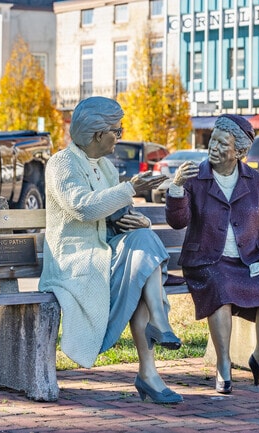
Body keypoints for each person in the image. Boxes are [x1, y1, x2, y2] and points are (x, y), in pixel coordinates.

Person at [38, 96, 183, 404]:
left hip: (104, 252)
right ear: (97, 133)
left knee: (143, 243)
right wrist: (131, 188)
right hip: (75, 260)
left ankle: (158, 328)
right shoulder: (62, 164)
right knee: (143, 273)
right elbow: (82, 208)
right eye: (117, 130)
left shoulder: (105, 166)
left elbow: (116, 215)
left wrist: (137, 218)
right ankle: (149, 372)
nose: (119, 136)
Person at [165, 114, 259, 394]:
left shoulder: (255, 180)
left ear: (240, 152)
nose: (215, 147)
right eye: (213, 140)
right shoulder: (196, 178)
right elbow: (178, 222)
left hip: (247, 261)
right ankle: (223, 365)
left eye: (223, 143)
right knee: (220, 288)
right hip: (207, 261)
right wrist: (176, 188)